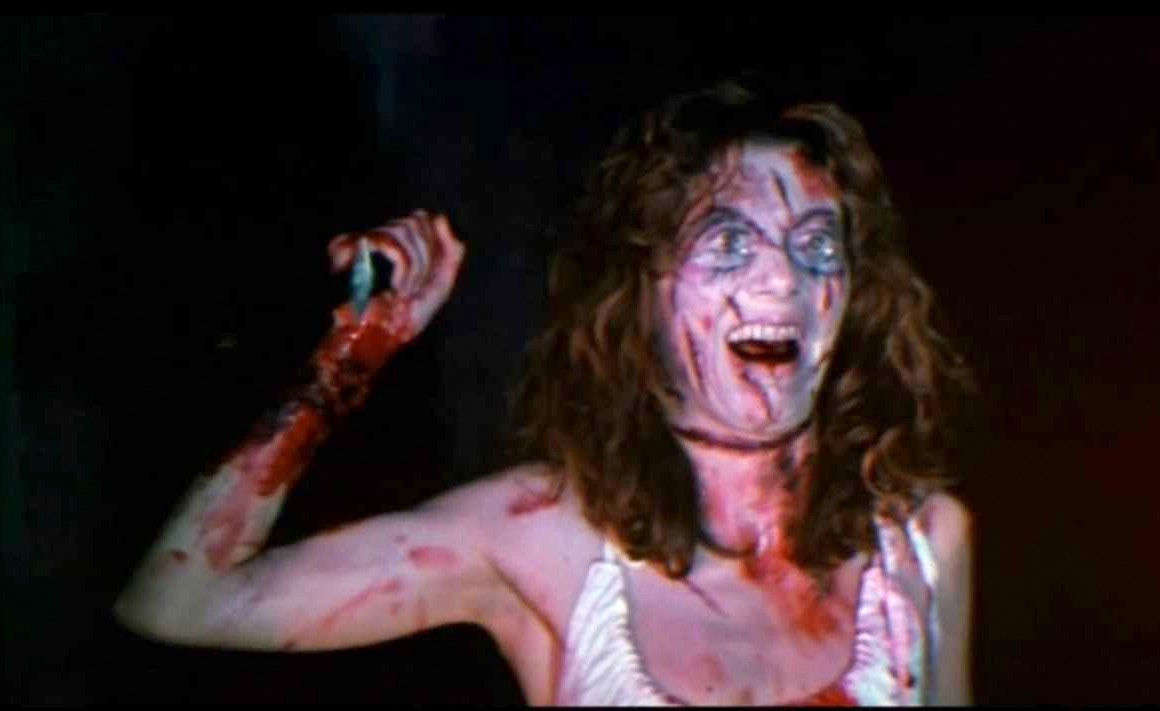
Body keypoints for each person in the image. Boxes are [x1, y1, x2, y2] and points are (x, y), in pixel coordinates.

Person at [114, 81, 976, 706]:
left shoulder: (922, 547)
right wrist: (352, 354)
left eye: (817, 246)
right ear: (637, 291)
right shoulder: (540, 541)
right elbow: (180, 599)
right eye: (727, 243)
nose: (783, 281)